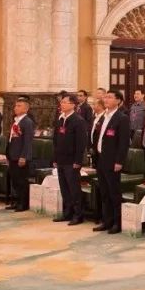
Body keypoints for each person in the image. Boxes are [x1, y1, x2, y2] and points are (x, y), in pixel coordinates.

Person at [92, 90, 131, 234]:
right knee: (104, 192)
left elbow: (123, 142)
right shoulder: (104, 116)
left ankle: (117, 222)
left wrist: (119, 161)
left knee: (114, 193)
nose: (106, 99)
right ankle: (106, 221)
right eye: (105, 97)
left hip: (113, 161)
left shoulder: (122, 118)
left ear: (118, 101)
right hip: (101, 159)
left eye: (109, 97)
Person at [52, 93, 89, 225]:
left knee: (74, 189)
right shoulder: (60, 119)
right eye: (61, 102)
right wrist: (55, 158)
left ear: (73, 105)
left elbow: (81, 143)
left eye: (64, 102)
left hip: (72, 161)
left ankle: (78, 215)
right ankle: (67, 213)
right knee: (64, 188)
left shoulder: (78, 121)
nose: (61, 104)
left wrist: (78, 161)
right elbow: (56, 140)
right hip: (61, 159)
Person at [6, 98, 35, 212]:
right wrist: (8, 154)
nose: (15, 108)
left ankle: (23, 203)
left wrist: (24, 156)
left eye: (19, 106)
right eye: (15, 105)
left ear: (26, 109)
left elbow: (28, 141)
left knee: (21, 181)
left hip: (21, 156)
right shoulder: (16, 121)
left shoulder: (27, 122)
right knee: (15, 181)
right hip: (13, 154)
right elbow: (11, 138)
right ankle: (16, 201)